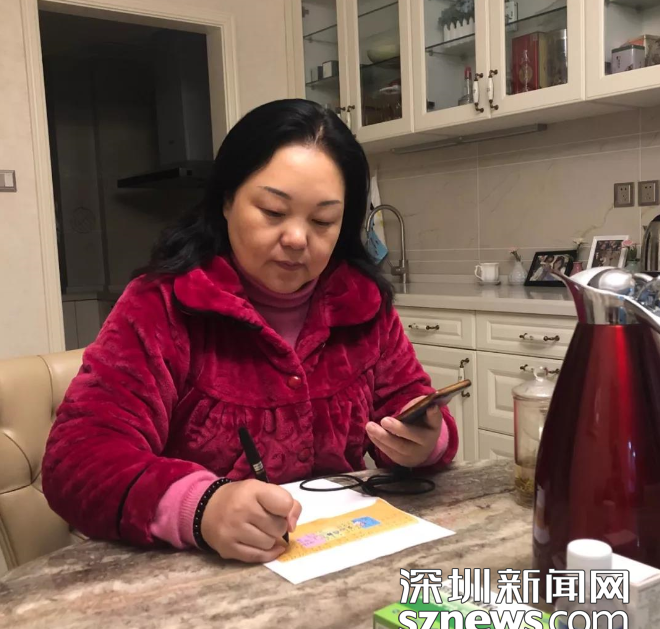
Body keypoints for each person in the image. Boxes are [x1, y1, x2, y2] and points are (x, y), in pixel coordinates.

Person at [42, 99, 458, 564]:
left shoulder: (360, 302)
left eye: (323, 221)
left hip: (338, 556)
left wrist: (425, 443)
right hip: (201, 577)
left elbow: (412, 407)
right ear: (227, 201)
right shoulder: (162, 304)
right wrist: (201, 506)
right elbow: (77, 460)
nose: (297, 239)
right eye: (273, 211)